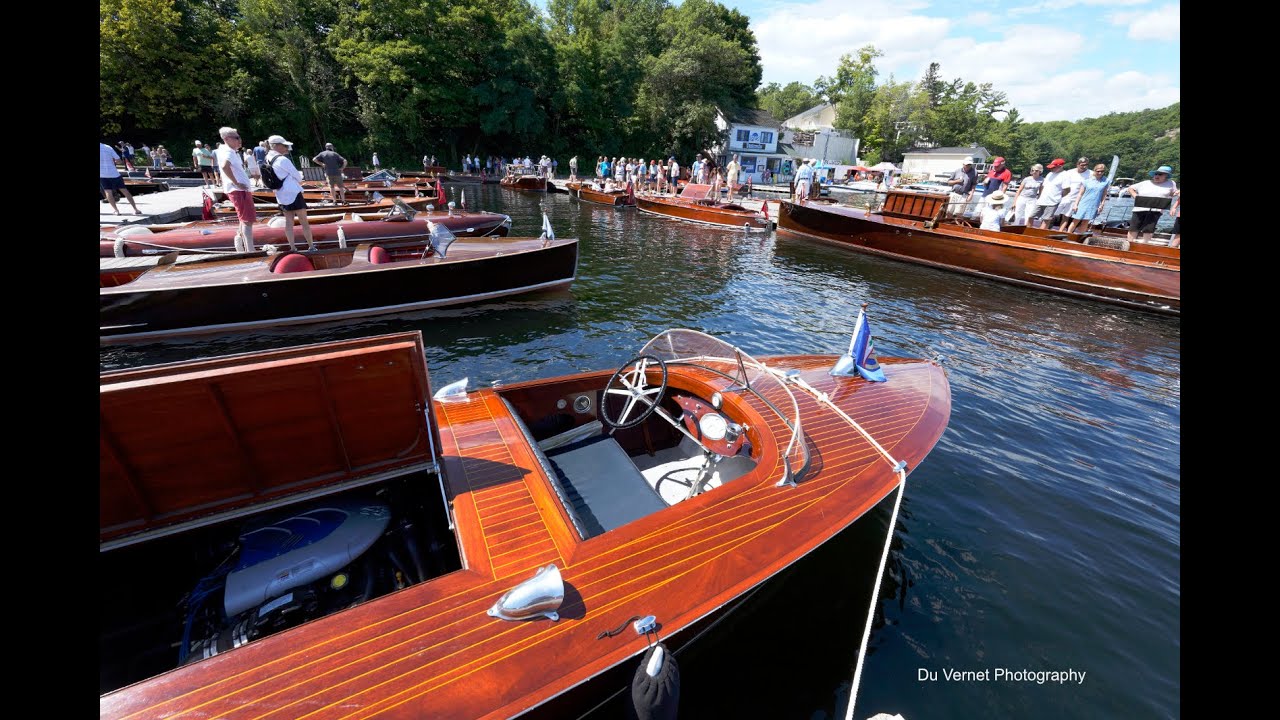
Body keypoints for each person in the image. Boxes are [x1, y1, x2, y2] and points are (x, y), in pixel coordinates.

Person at [266, 135, 315, 252]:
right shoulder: (283, 159)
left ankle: (293, 247)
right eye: (284, 146)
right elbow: (298, 176)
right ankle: (311, 246)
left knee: (289, 222)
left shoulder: (267, 158)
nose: (286, 148)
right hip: (293, 192)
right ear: (276, 146)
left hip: (281, 195)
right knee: (304, 222)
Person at [215, 126, 256, 252]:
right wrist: (237, 183)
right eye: (237, 137)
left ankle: (240, 244)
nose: (240, 140)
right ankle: (250, 250)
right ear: (227, 139)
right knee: (247, 220)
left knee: (243, 218)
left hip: (238, 190)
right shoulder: (228, 152)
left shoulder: (227, 151)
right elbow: (225, 166)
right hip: (238, 190)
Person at [1125, 165, 1178, 243]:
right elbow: (1130, 188)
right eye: (1156, 174)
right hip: (1139, 209)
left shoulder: (1171, 183)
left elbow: (1173, 193)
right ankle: (1129, 244)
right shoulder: (1145, 183)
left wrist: (1176, 193)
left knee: (1148, 230)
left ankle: (1145, 246)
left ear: (1166, 176)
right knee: (1133, 228)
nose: (1157, 176)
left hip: (1156, 210)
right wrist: (1135, 196)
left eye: (1160, 174)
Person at [1067, 163, 1111, 234]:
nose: (1100, 173)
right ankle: (1068, 234)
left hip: (1094, 204)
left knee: (1086, 221)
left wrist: (1102, 204)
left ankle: (1080, 236)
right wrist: (1076, 204)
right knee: (1076, 220)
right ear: (1095, 171)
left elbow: (1104, 194)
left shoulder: (1106, 181)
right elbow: (1080, 194)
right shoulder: (1087, 181)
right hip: (1083, 203)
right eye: (1098, 171)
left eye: (1102, 171)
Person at [100, 142, 141, 215]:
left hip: (102, 175)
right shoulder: (108, 147)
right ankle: (136, 209)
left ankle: (116, 211)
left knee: (108, 192)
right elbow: (119, 161)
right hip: (114, 173)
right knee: (125, 191)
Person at [1028, 158, 1066, 228]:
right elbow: (1043, 186)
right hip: (1042, 200)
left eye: (1053, 167)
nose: (1051, 169)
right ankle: (1028, 231)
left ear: (1060, 166)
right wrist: (1040, 197)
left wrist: (1058, 197)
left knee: (1046, 220)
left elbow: (1067, 190)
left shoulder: (1065, 175)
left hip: (1052, 202)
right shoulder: (1049, 174)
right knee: (1031, 216)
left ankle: (1040, 236)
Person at [1053, 157, 1090, 230]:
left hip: (1076, 199)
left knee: (1066, 217)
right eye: (1082, 165)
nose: (1084, 167)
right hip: (1064, 197)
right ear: (1077, 164)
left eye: (1086, 165)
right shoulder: (1069, 172)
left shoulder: (1091, 174)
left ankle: (1061, 232)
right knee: (1053, 214)